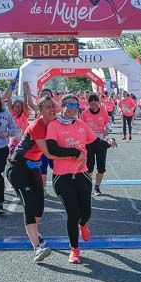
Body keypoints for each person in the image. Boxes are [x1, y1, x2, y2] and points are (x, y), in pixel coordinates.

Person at [47, 95, 109, 264]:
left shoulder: (82, 125)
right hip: (62, 177)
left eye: (76, 105)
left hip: (82, 174)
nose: (74, 107)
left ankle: (84, 224)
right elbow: (53, 148)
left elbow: (95, 143)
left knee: (86, 212)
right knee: (72, 213)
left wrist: (108, 143)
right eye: (70, 105)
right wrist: (75, 152)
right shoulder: (54, 126)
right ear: (62, 106)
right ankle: (74, 249)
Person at [7, 96, 58, 262]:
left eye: (53, 106)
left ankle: (37, 236)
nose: (52, 109)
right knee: (29, 205)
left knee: (39, 212)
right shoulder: (36, 125)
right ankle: (37, 248)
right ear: (40, 111)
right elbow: (49, 153)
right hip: (18, 167)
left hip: (33, 168)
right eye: (48, 107)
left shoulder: (55, 123)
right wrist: (74, 154)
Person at [80, 94, 116, 195]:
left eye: (96, 105)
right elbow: (80, 126)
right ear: (88, 104)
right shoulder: (84, 113)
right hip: (88, 143)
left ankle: (97, 187)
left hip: (100, 142)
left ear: (99, 104)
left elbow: (107, 124)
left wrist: (107, 130)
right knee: (89, 167)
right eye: (91, 105)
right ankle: (88, 187)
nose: (94, 107)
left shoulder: (103, 111)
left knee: (101, 167)